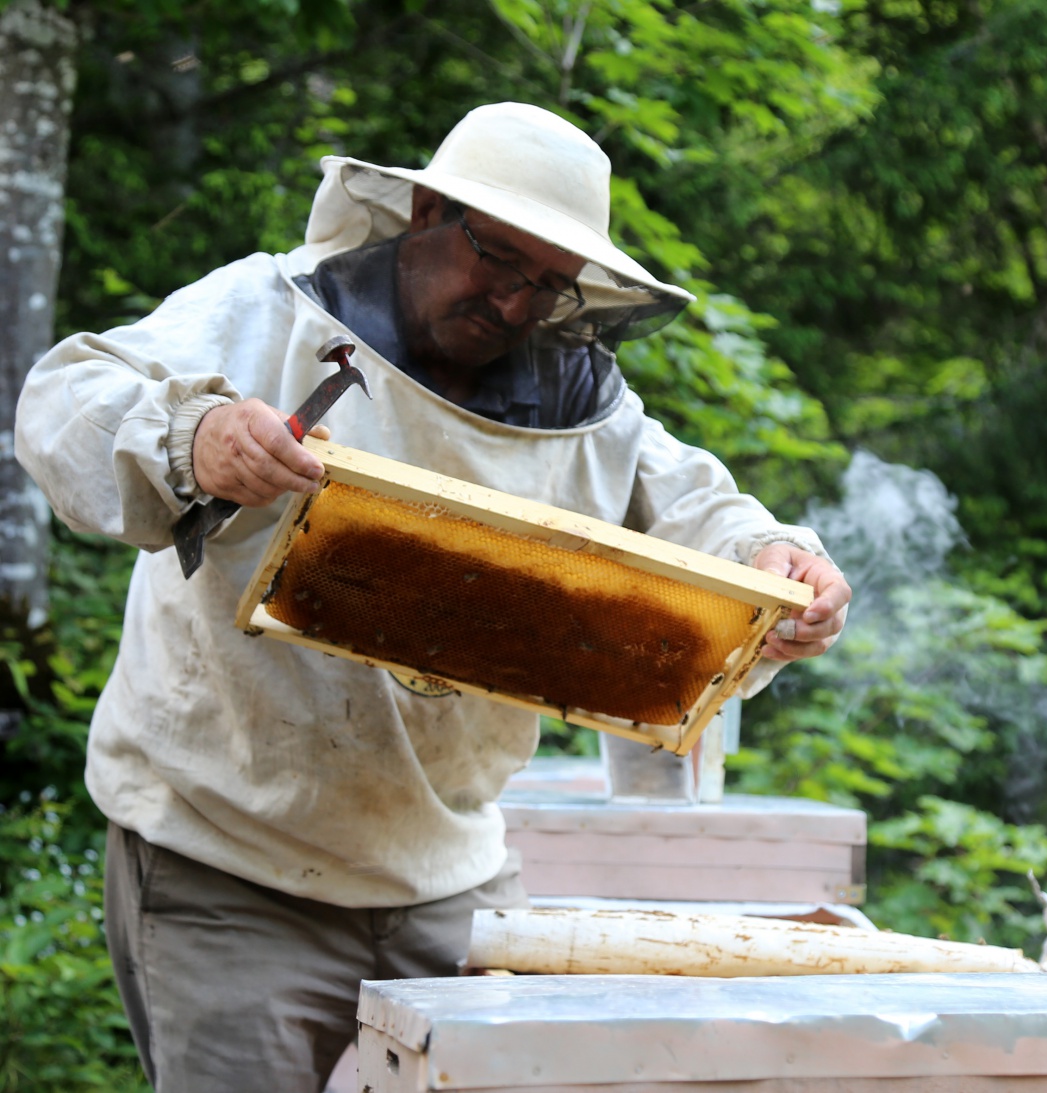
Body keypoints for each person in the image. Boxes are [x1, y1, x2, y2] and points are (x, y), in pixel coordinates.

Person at [15, 102, 849, 1093]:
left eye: (547, 282)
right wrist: (194, 436)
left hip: (450, 876)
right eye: (496, 259)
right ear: (423, 211)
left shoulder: (581, 403)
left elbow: (701, 511)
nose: (511, 302)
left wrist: (780, 564)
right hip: (229, 862)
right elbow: (65, 399)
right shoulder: (268, 314)